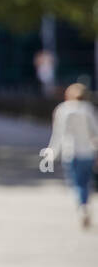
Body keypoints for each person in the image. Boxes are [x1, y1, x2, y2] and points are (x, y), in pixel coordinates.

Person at [46, 83, 98, 228]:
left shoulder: (62, 110)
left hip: (71, 152)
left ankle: (82, 206)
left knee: (76, 183)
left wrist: (51, 153)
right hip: (87, 152)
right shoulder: (88, 110)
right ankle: (85, 204)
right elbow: (96, 132)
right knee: (86, 183)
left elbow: (58, 134)